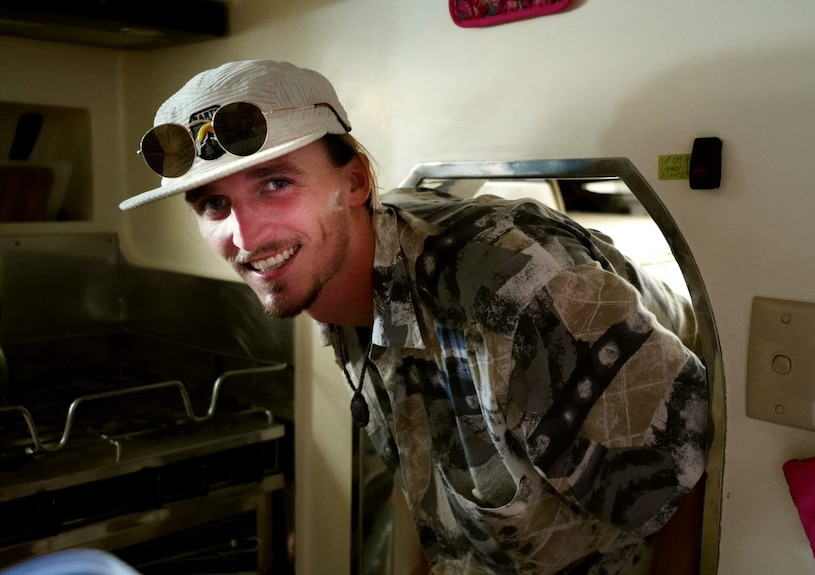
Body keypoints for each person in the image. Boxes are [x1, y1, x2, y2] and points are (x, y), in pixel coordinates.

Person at [120, 60, 709, 574]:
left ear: (354, 182)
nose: (245, 235)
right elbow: (440, 460)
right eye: (214, 205)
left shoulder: (515, 289)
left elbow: (684, 483)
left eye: (275, 184)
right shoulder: (339, 275)